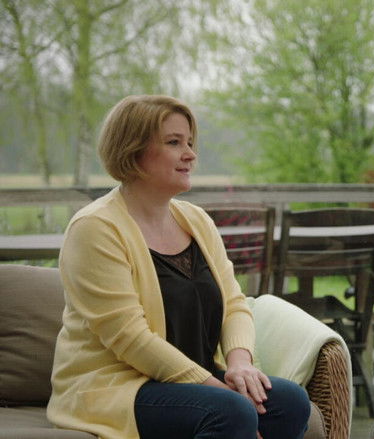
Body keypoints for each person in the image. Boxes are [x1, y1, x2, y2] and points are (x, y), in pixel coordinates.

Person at [46, 95, 310, 439]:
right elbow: (130, 338)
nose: (190, 154)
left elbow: (234, 304)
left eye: (189, 142)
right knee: (231, 412)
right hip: (117, 387)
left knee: (291, 402)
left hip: (192, 380)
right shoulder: (95, 228)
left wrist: (240, 363)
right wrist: (220, 390)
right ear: (133, 150)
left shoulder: (196, 220)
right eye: (174, 143)